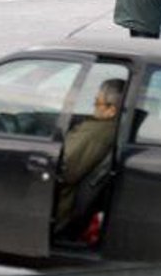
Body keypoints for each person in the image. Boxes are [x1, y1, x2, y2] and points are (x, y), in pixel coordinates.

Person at [55, 79, 123, 233]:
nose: (93, 107)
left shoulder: (95, 134)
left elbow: (62, 169)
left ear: (111, 110)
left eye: (96, 102)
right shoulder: (108, 128)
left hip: (58, 204)